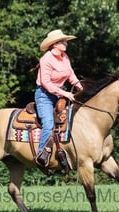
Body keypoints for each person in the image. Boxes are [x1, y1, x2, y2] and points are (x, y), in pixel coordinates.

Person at [34, 29, 83, 168]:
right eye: (62, 41)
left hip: (58, 94)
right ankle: (41, 154)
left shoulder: (65, 57)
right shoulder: (46, 60)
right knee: (49, 124)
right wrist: (65, 93)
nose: (65, 43)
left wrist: (81, 88)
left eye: (65, 41)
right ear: (54, 44)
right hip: (44, 95)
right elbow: (46, 83)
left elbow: (71, 76)